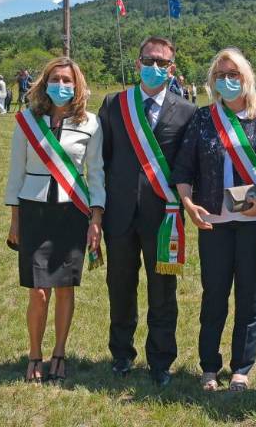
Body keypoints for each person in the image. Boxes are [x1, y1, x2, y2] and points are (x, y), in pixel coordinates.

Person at [173, 48, 256, 392]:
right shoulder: (203, 118)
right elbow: (183, 167)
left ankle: (242, 368)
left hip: (254, 220)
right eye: (220, 75)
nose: (227, 80)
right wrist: (188, 204)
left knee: (249, 297)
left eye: (233, 74)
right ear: (213, 81)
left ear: (246, 77)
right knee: (214, 295)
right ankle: (209, 367)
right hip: (213, 220)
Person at [97, 36, 196, 387]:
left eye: (162, 63)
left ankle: (161, 360)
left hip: (164, 216)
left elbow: (188, 166)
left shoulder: (187, 111)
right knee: (120, 286)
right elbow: (102, 160)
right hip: (119, 214)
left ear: (171, 69)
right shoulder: (114, 104)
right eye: (149, 60)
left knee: (163, 291)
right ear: (138, 63)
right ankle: (121, 354)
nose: (155, 67)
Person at [4, 57, 105, 384]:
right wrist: (15, 220)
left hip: (72, 212)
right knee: (37, 291)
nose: (61, 85)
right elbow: (16, 172)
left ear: (77, 85)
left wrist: (96, 218)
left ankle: (59, 354)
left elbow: (96, 173)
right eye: (56, 79)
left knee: (64, 287)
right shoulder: (27, 121)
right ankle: (35, 354)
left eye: (67, 80)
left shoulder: (91, 123)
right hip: (33, 212)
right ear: (45, 83)